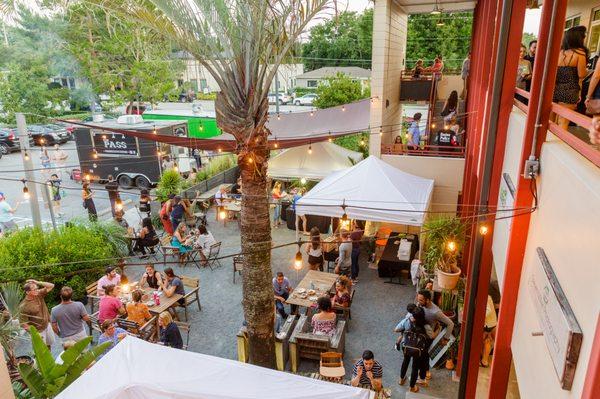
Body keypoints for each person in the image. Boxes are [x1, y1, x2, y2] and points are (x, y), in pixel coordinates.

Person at [553, 26, 589, 130]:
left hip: (555, 89)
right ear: (578, 38)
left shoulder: (559, 52)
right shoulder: (580, 53)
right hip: (570, 91)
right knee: (563, 123)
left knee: (551, 121)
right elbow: (582, 74)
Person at [397, 306, 434, 392]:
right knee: (415, 367)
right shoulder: (426, 325)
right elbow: (431, 336)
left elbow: (398, 329)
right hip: (418, 349)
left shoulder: (408, 321)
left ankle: (401, 379)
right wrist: (438, 329)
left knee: (405, 362)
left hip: (407, 346)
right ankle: (412, 387)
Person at [19, 279, 55, 347]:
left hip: (47, 325)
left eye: (36, 288)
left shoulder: (39, 294)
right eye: (34, 289)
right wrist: (35, 334)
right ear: (27, 292)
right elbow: (23, 324)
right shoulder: (23, 306)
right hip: (38, 331)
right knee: (42, 351)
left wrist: (38, 282)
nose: (37, 290)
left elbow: (51, 286)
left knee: (49, 345)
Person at [481, 295, 498, 367]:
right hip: (491, 323)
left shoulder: (485, 297)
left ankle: (484, 361)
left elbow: (488, 310)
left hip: (488, 324)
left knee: (486, 341)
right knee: (487, 341)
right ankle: (484, 360)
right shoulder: (488, 296)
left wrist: (479, 316)